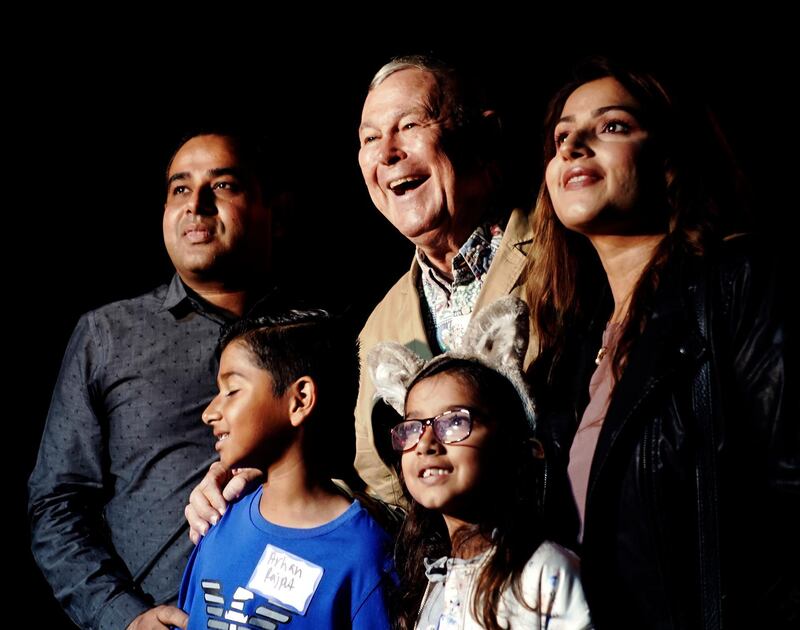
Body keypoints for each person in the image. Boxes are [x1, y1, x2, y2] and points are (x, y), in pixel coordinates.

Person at [184, 54, 536, 531]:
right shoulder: (378, 329)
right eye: (370, 138)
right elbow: (382, 495)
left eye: (409, 124)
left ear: (483, 135)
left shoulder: (566, 255)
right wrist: (277, 485)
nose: (387, 152)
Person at [526, 57, 798, 628]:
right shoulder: (570, 350)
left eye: (612, 126)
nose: (573, 145)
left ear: (671, 158)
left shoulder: (738, 284)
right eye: (561, 136)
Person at [28, 130, 280, 630]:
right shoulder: (107, 335)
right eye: (180, 189)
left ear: (269, 207)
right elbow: (57, 503)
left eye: (223, 185)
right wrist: (122, 617)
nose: (197, 206)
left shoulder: (317, 334)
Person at [368, 296, 592, 630]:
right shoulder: (429, 582)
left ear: (517, 445)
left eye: (454, 422)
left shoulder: (546, 572)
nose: (427, 443)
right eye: (413, 427)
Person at [179, 309, 393, 629]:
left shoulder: (366, 551)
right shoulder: (217, 522)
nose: (210, 413)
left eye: (232, 391)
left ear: (300, 399)